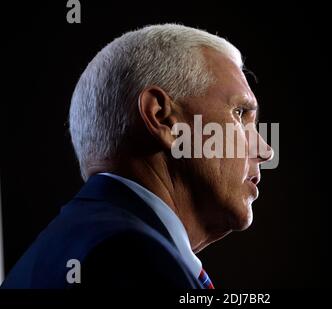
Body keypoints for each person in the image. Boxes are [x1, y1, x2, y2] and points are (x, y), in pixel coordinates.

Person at [1, 24, 273, 288]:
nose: (266, 151)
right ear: (163, 119)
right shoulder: (130, 257)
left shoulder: (69, 245)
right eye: (239, 113)